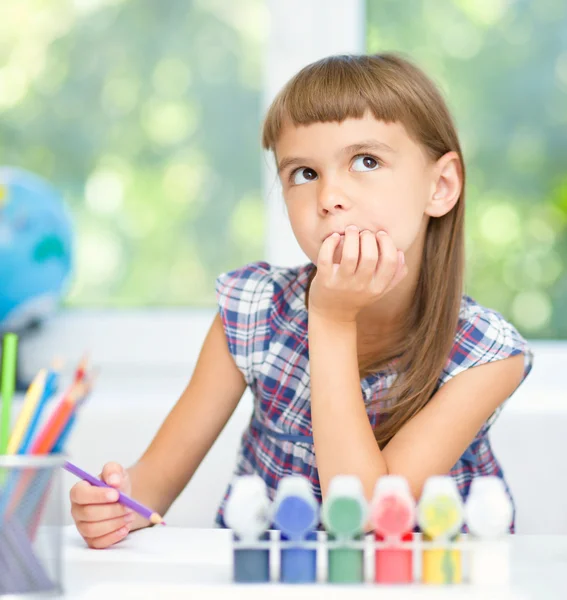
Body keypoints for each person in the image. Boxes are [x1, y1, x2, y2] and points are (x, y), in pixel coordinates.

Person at [70, 53, 533, 548]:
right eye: (304, 173)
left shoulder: (484, 355)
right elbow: (152, 487)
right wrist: (116, 506)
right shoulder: (253, 310)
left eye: (366, 161)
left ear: (440, 187)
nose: (329, 195)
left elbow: (365, 518)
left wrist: (332, 320)